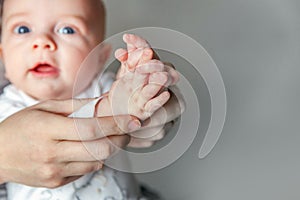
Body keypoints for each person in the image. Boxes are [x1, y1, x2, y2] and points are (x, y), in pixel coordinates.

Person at [0, 0, 183, 199]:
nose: (42, 41)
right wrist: (109, 110)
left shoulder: (105, 89)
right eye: (23, 29)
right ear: (3, 56)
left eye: (68, 30)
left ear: (99, 58)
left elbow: (132, 119)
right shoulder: (6, 109)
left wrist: (142, 90)